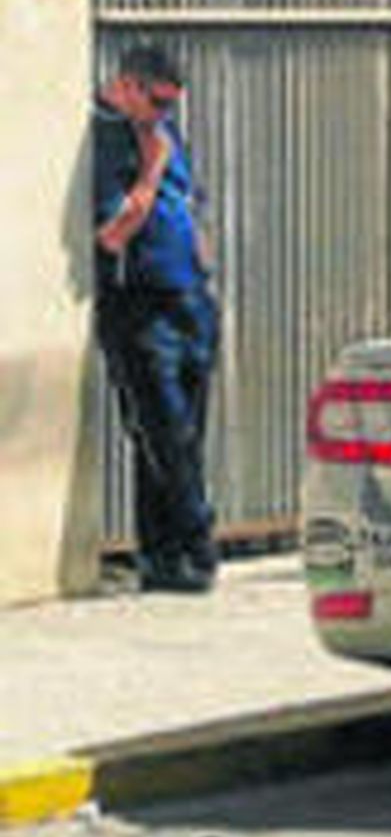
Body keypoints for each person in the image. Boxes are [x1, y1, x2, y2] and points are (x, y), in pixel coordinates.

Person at [92, 40, 220, 594]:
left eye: (173, 103)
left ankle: (164, 557)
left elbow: (188, 200)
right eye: (158, 102)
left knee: (184, 435)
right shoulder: (104, 136)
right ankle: (199, 539)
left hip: (190, 299)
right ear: (127, 85)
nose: (165, 115)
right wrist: (149, 173)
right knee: (162, 429)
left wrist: (201, 255)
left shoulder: (162, 134)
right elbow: (111, 231)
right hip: (140, 305)